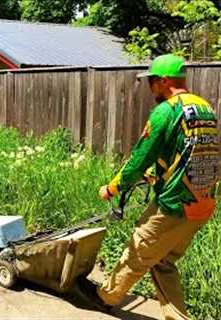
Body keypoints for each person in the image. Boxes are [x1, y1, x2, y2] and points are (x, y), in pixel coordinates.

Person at [78, 54, 219, 320]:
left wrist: (112, 188)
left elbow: (139, 159)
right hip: (203, 203)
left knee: (138, 250)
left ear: (165, 81)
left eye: (152, 81)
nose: (150, 87)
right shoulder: (204, 108)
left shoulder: (167, 111)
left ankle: (104, 298)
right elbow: (191, 152)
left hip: (175, 204)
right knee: (163, 261)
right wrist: (157, 175)